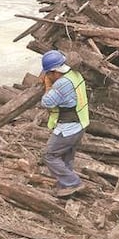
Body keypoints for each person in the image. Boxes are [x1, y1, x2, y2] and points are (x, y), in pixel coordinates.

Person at [39, 50, 89, 197]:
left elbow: (46, 102)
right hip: (80, 124)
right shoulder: (75, 75)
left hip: (68, 128)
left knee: (49, 155)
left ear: (55, 72)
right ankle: (66, 188)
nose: (47, 76)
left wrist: (48, 86)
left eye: (48, 73)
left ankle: (74, 183)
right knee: (66, 158)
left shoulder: (62, 84)